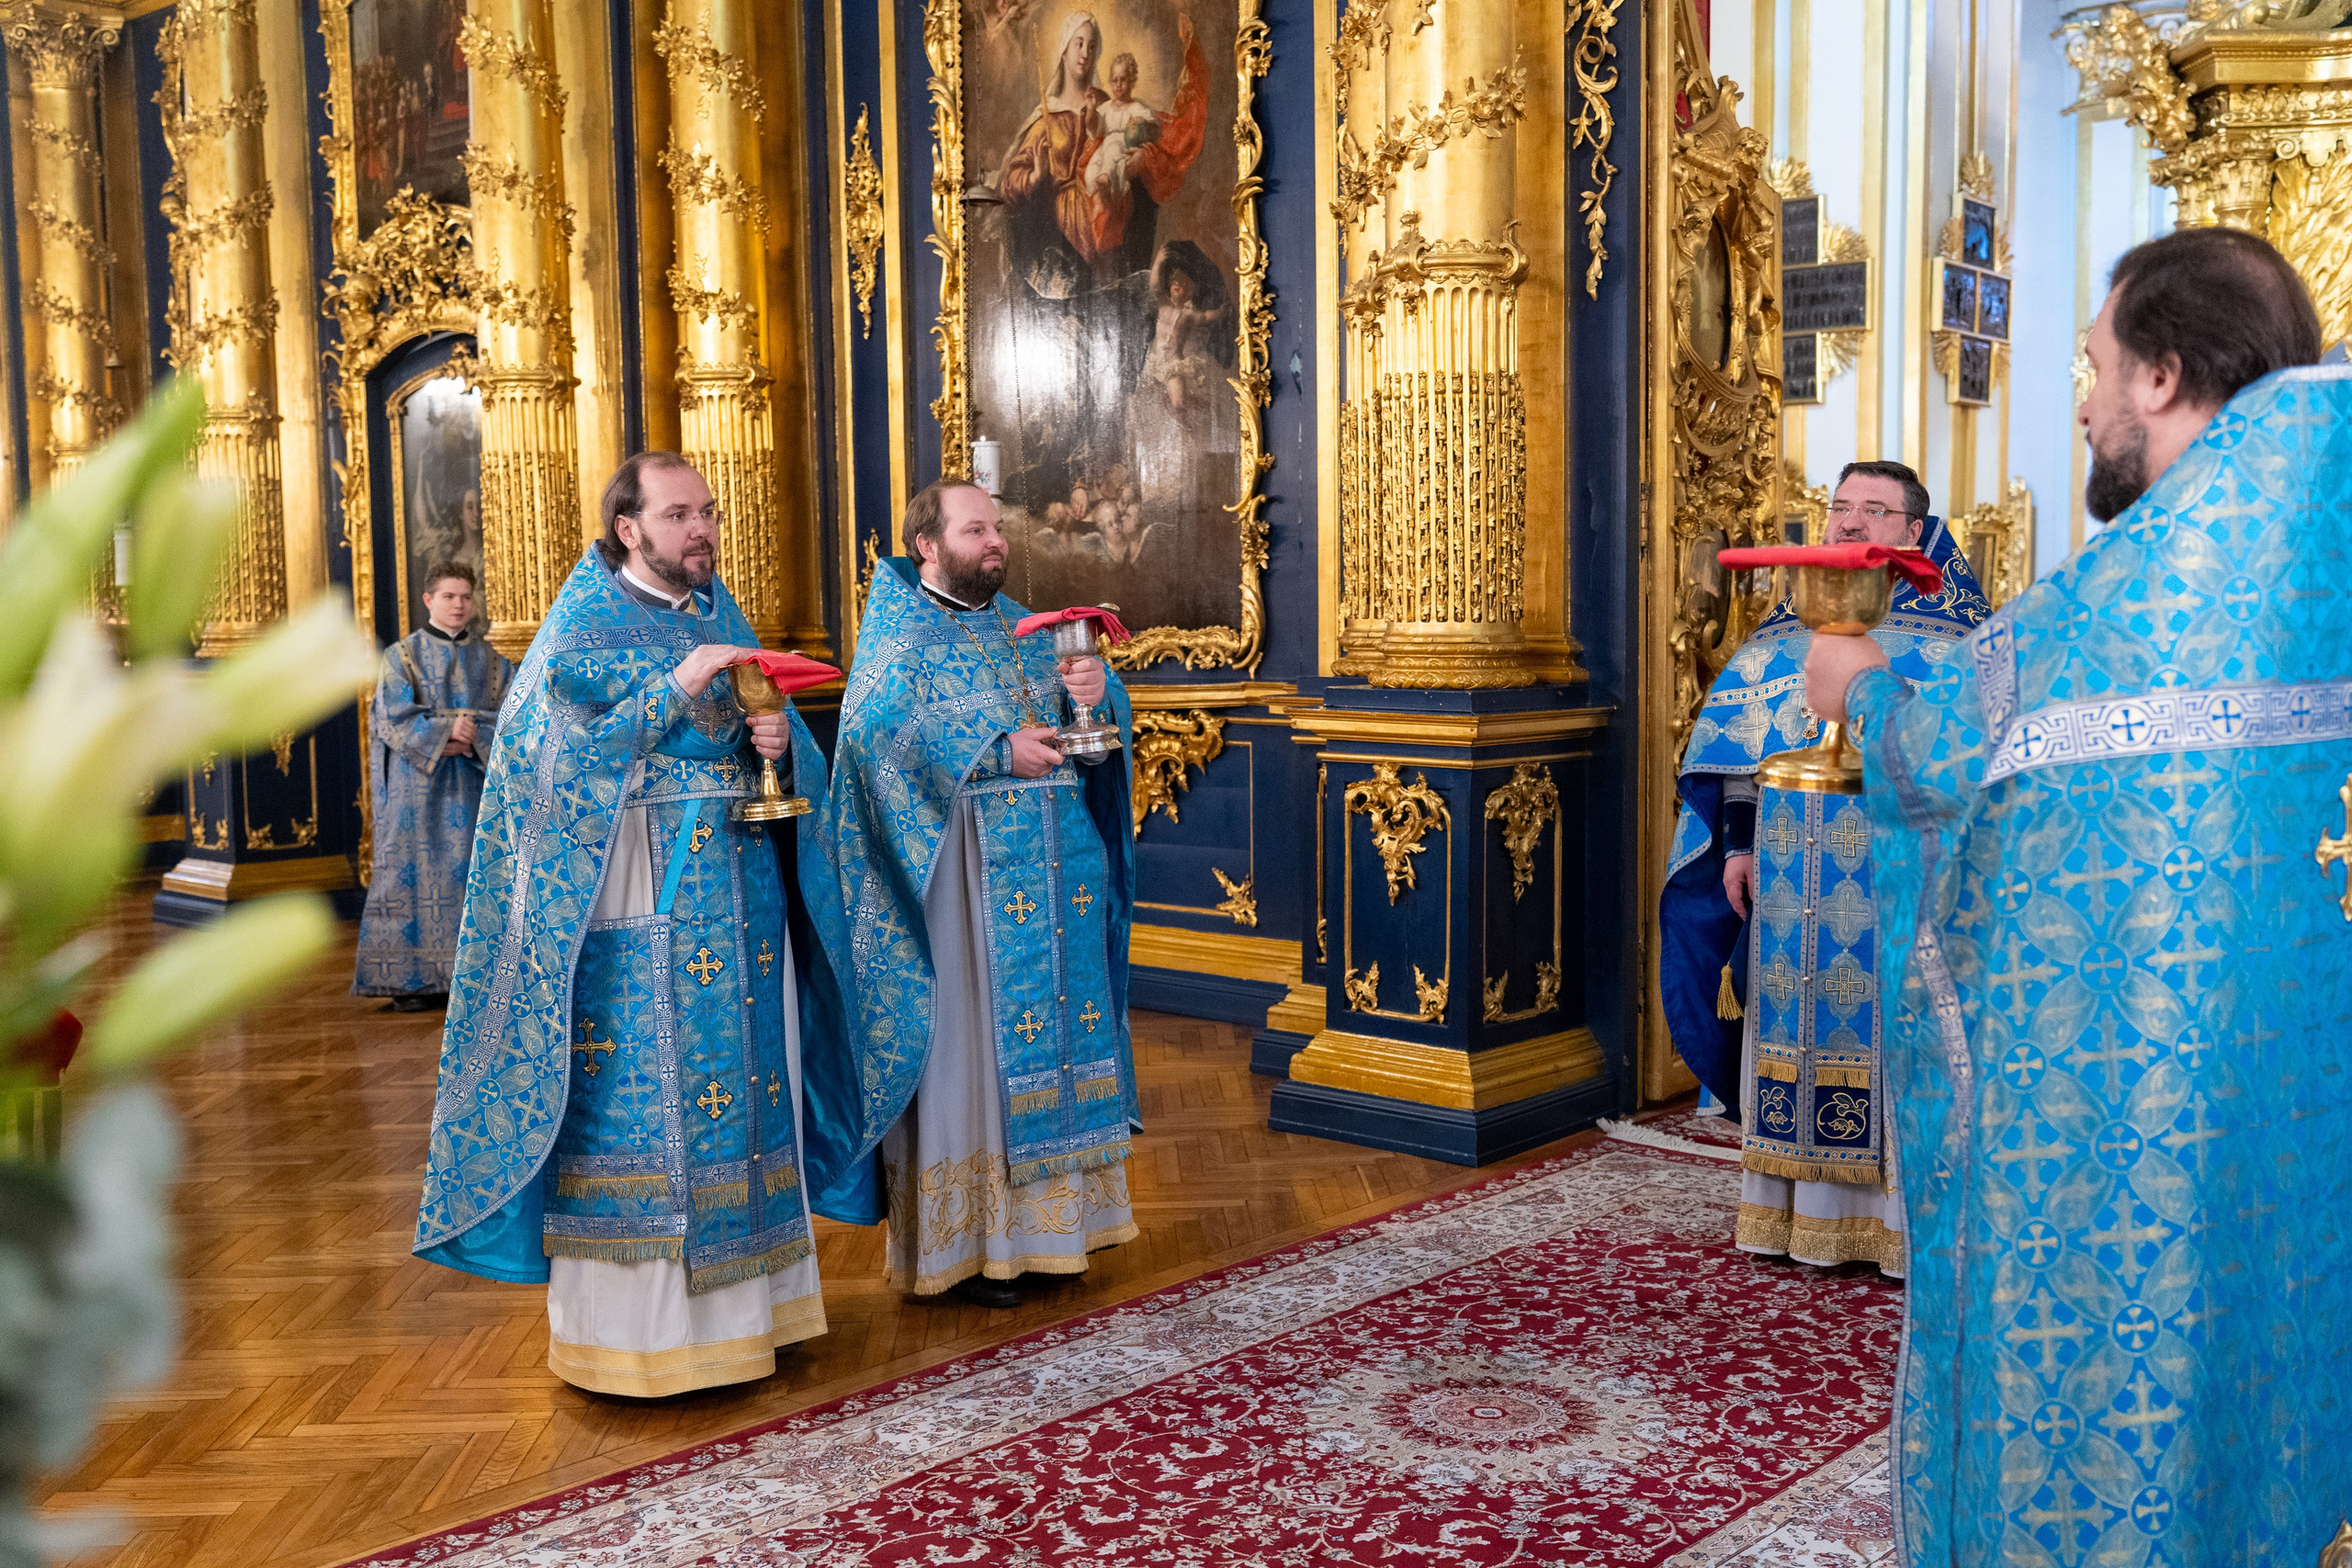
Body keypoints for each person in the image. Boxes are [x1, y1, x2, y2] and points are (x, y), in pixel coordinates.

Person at [1804, 228, 2351, 1561]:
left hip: (2133, 1113)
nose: (2088, 401)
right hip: (2294, 1087)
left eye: (2097, 366)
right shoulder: (2320, 562)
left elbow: (1941, 749)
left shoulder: (2140, 587)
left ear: (2163, 376)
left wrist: (1855, 689)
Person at [412, 451, 846, 1396]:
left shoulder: (715, 612)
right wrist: (675, 688)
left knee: (747, 1090)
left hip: (735, 904)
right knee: (648, 1104)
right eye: (681, 514)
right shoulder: (580, 625)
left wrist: (775, 740)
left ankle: (758, 1315)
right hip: (630, 910)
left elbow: (760, 733)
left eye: (709, 512)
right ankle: (646, 1347)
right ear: (630, 529)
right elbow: (546, 768)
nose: (702, 530)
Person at [800, 479, 1137, 1309]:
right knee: (970, 1058)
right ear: (928, 542)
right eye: (976, 528)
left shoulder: (1022, 628)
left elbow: (1087, 737)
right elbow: (875, 734)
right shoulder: (899, 632)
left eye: (998, 527)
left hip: (1050, 883)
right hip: (955, 889)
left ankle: (1057, 1229)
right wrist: (991, 753)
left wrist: (1099, 703)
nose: (996, 541)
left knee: (1049, 1046)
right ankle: (972, 1246)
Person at [1659, 462, 1989, 1276]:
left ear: (1914, 533)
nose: (1848, 524)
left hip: (1903, 879)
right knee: (1797, 1024)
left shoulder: (1964, 638)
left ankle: (1894, 1227)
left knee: (1890, 1034)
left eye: (1873, 511)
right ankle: (1788, 1216)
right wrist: (1737, 844)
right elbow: (1743, 745)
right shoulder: (1784, 629)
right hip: (1788, 881)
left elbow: (1972, 759)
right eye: (1840, 508)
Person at [353, 562, 514, 1010]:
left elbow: (513, 719)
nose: (459, 605)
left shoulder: (493, 662)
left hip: (473, 785)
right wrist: (449, 733)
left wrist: (471, 734)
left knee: (474, 875)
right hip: (416, 792)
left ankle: (476, 981)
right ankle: (412, 982)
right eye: (449, 596)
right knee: (411, 875)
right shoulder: (400, 657)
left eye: (465, 596)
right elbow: (392, 718)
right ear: (428, 600)